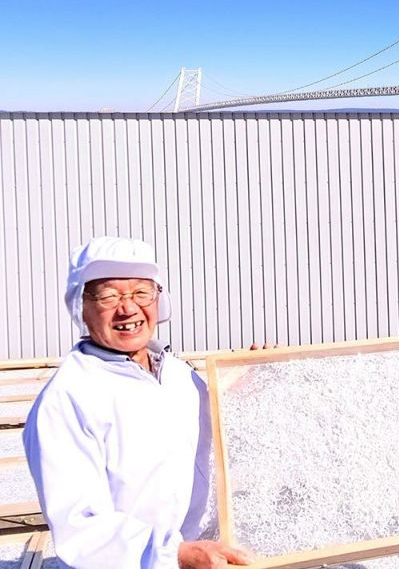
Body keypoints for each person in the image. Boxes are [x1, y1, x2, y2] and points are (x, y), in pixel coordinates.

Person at [23, 236, 253, 569]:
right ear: (81, 307)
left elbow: (211, 440)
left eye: (141, 292)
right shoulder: (67, 398)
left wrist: (255, 380)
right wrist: (174, 554)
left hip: (206, 555)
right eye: (108, 295)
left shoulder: (176, 374)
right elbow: (80, 527)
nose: (128, 308)